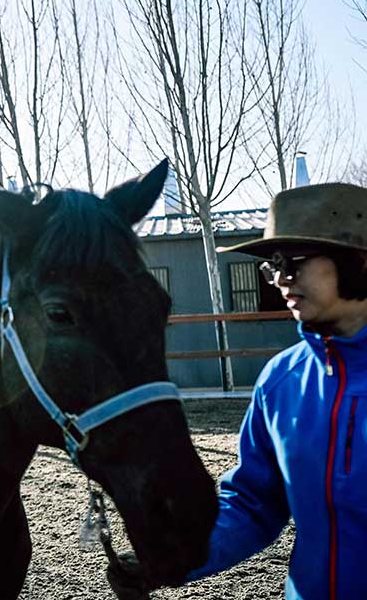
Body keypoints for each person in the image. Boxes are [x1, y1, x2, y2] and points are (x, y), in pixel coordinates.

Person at [108, 182, 367, 600]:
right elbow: (252, 503)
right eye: (272, 265)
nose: (280, 278)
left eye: (293, 261)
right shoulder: (281, 381)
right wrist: (175, 557)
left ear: (358, 260)